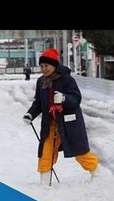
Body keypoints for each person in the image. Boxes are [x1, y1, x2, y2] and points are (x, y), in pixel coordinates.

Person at [23, 48, 100, 185]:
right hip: (50, 123)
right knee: (46, 151)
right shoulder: (41, 82)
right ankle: (44, 183)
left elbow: (76, 99)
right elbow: (38, 103)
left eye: (46, 66)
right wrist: (30, 114)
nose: (44, 69)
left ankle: (95, 171)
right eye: (41, 66)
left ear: (54, 65)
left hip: (69, 123)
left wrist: (64, 98)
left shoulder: (67, 80)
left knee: (79, 151)